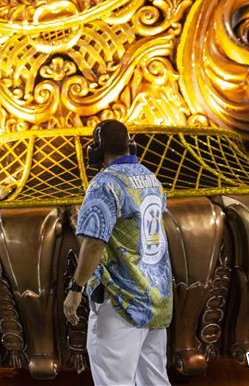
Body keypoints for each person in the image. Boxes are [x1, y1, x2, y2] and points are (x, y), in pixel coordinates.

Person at [63, 119, 172, 385]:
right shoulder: (150, 177)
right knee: (154, 380)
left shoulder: (105, 184)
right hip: (155, 298)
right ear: (130, 145)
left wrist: (75, 289)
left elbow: (94, 244)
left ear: (96, 151)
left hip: (120, 299)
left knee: (113, 380)